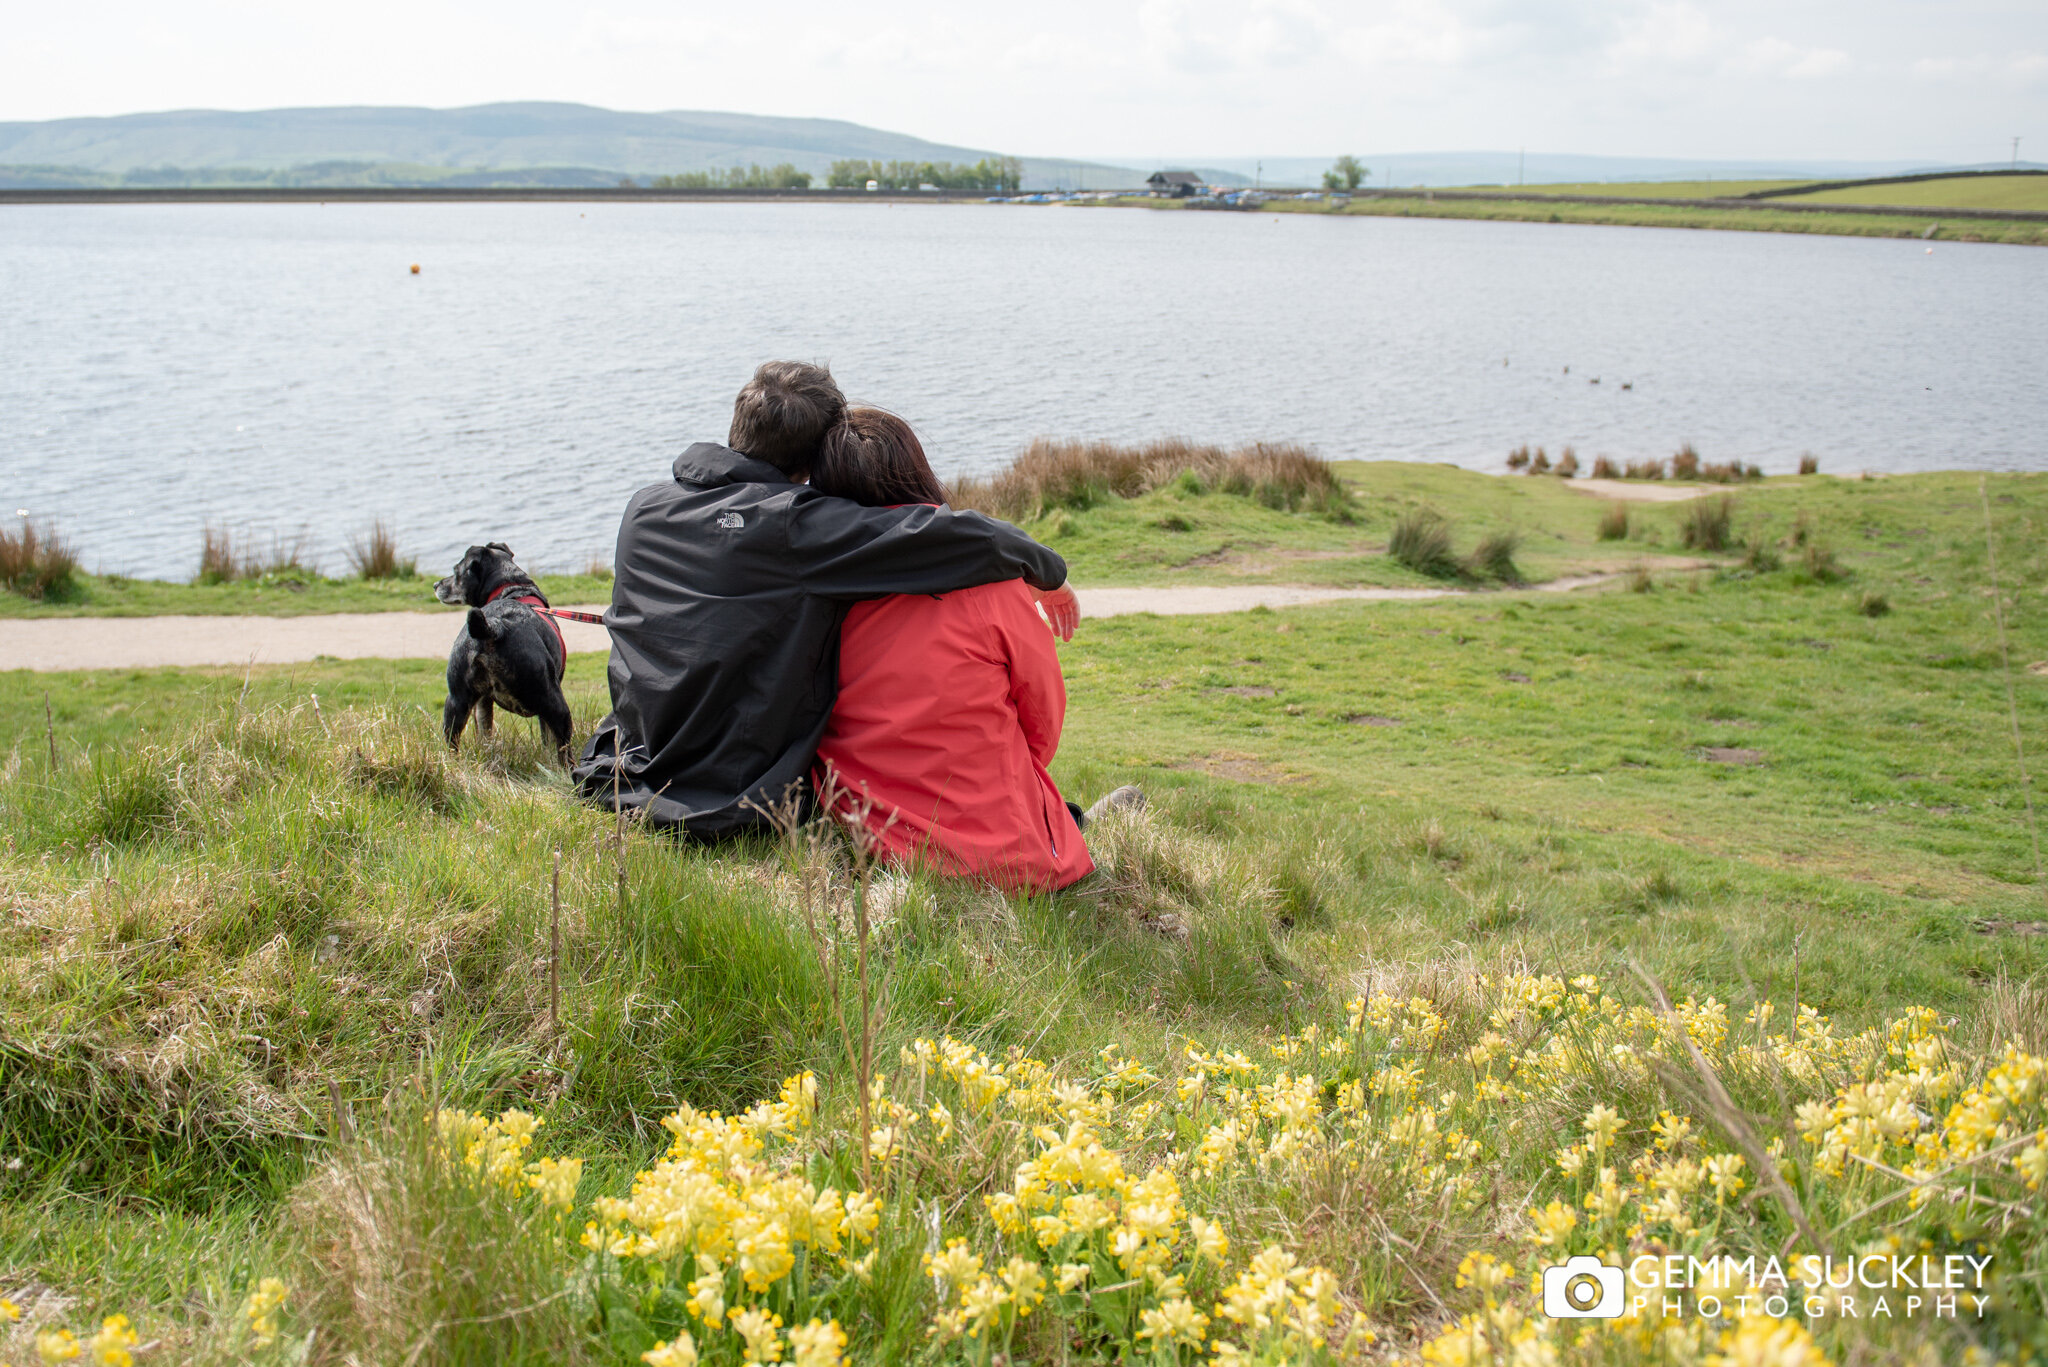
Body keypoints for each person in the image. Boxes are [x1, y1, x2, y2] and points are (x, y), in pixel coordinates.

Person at [574, 362, 1070, 837]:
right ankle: (1059, 819)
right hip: (726, 797)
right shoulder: (795, 524)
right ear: (815, 461)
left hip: (626, 769)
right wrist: (1050, 573)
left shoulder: (644, 507)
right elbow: (957, 537)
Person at [807, 408, 1141, 893]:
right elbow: (1042, 723)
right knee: (1047, 807)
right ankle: (1078, 822)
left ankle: (1074, 818)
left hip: (868, 835)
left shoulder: (809, 593)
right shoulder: (993, 586)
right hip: (1004, 857)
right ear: (916, 470)